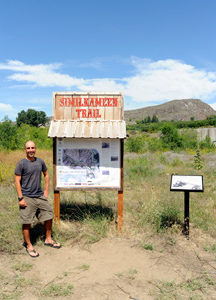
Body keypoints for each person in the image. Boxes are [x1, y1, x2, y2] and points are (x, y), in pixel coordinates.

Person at [15, 140, 61, 257]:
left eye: (33, 148)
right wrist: (21, 198)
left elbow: (46, 174)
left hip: (39, 195)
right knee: (26, 222)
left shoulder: (40, 161)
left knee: (49, 216)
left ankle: (48, 239)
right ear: (25, 150)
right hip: (27, 196)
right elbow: (17, 181)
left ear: (36, 149)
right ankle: (28, 245)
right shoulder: (21, 164)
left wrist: (46, 191)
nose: (31, 150)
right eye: (28, 148)